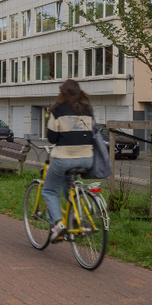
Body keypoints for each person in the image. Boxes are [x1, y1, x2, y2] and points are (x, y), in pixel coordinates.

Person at [41, 79, 95, 243]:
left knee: (49, 190)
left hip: (64, 158)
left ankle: (58, 225)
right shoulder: (87, 109)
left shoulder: (57, 110)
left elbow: (51, 138)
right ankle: (77, 218)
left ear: (62, 92)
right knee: (69, 189)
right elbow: (92, 134)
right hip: (87, 159)